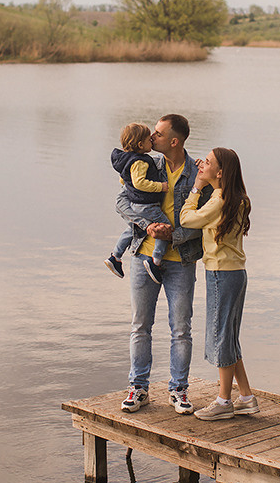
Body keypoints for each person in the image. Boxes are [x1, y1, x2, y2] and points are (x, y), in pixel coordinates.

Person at [115, 114, 211, 415]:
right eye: (152, 134)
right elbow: (121, 203)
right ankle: (139, 388)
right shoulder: (144, 165)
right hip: (143, 257)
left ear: (174, 141)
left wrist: (173, 235)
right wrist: (148, 226)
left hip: (181, 260)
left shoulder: (199, 173)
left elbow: (206, 217)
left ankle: (178, 390)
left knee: (181, 328)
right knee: (140, 325)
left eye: (157, 134)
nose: (151, 137)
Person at [179, 147, 259, 421]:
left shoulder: (219, 201)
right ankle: (246, 397)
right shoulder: (238, 198)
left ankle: (224, 401)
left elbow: (186, 219)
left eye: (208, 162)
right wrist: (206, 183)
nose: (202, 164)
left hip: (220, 275)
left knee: (221, 336)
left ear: (220, 172)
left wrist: (196, 187)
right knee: (229, 335)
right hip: (236, 274)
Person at [104, 123, 170, 280]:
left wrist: (131, 189)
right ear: (141, 145)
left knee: (133, 228)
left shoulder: (127, 159)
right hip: (146, 205)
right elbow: (139, 183)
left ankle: (115, 256)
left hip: (137, 204)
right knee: (164, 228)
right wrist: (160, 186)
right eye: (149, 139)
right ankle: (156, 260)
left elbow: (123, 179)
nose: (152, 141)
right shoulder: (140, 161)